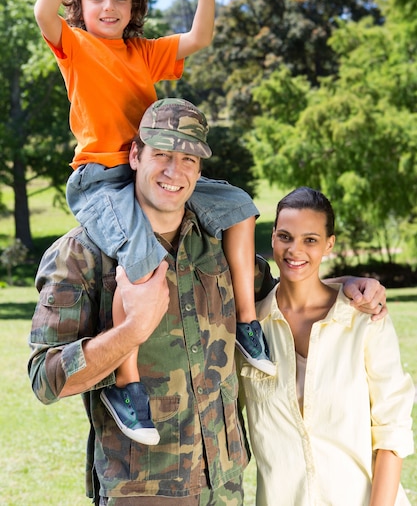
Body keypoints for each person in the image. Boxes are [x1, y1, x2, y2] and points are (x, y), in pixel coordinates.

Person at [28, 100, 388, 506]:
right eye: (161, 154)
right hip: (143, 490)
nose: (173, 171)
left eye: (187, 159)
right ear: (135, 155)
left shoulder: (219, 246)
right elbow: (45, 377)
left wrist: (351, 284)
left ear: (199, 170)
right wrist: (131, 332)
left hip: (226, 483)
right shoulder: (82, 254)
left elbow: (284, 296)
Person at [33, 0, 273, 446]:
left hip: (156, 171)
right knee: (143, 262)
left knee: (238, 204)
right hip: (102, 179)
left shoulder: (143, 52)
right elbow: (41, 11)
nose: (109, 7)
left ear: (133, 6)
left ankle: (249, 325)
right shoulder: (73, 46)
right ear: (81, 6)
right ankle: (127, 384)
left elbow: (200, 37)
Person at [237, 186, 415, 506]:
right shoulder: (250, 334)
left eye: (310, 240)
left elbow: (392, 432)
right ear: (273, 238)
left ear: (328, 245)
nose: (295, 250)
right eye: (285, 236)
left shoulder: (364, 320)